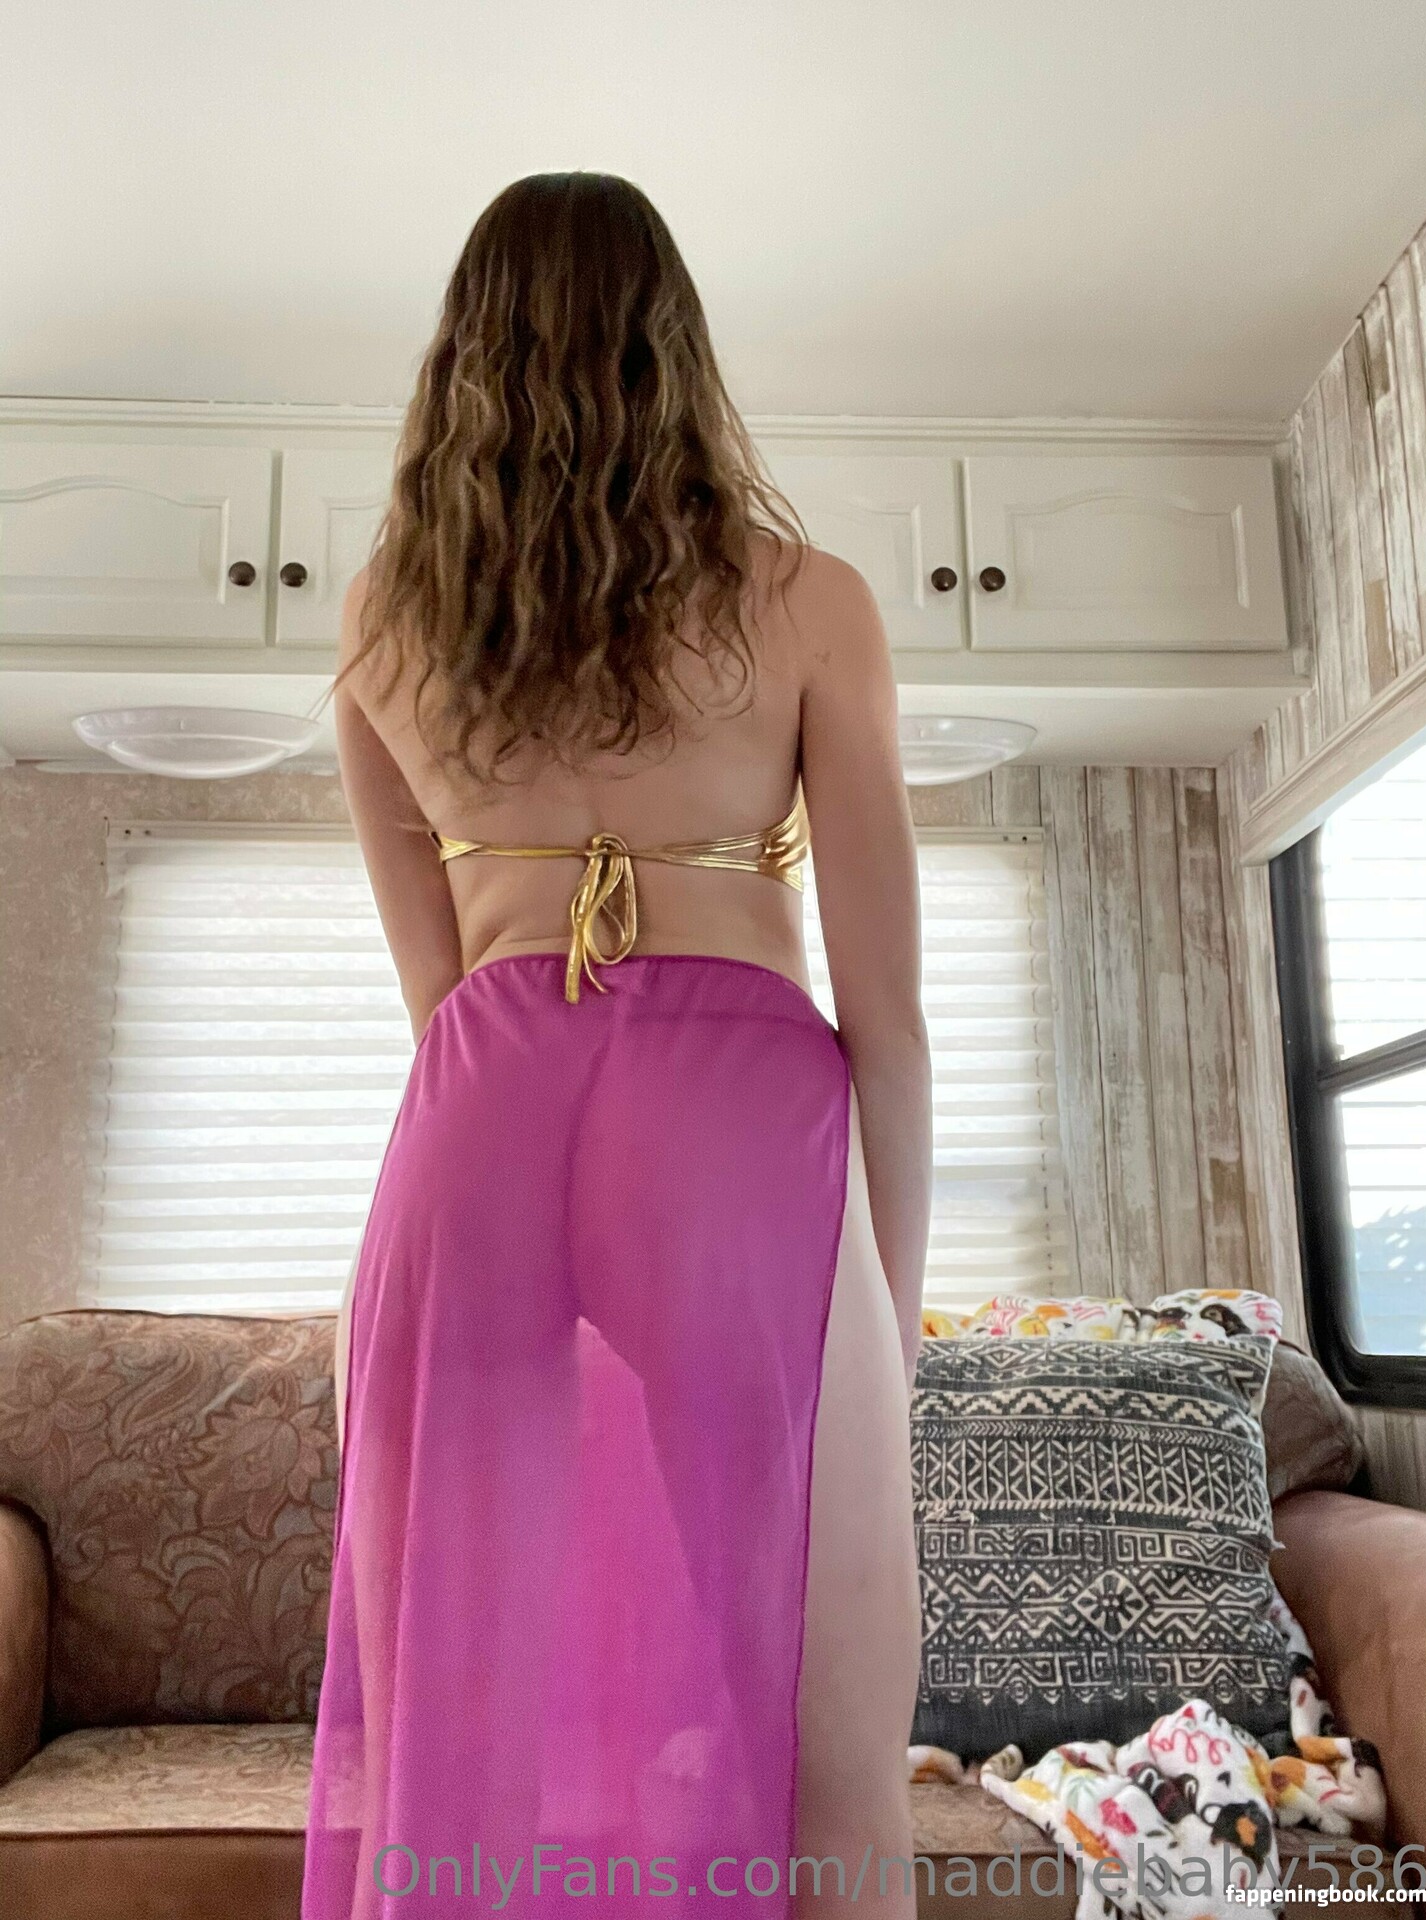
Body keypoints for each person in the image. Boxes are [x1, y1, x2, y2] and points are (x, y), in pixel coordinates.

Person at [302, 171, 930, 1920]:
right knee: (832, 1760)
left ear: (462, 364)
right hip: (735, 1114)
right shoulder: (809, 603)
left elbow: (440, 1001)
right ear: (678, 347)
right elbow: (888, 1020)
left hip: (484, 1109)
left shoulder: (382, 623)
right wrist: (880, 1332)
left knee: (456, 1741)